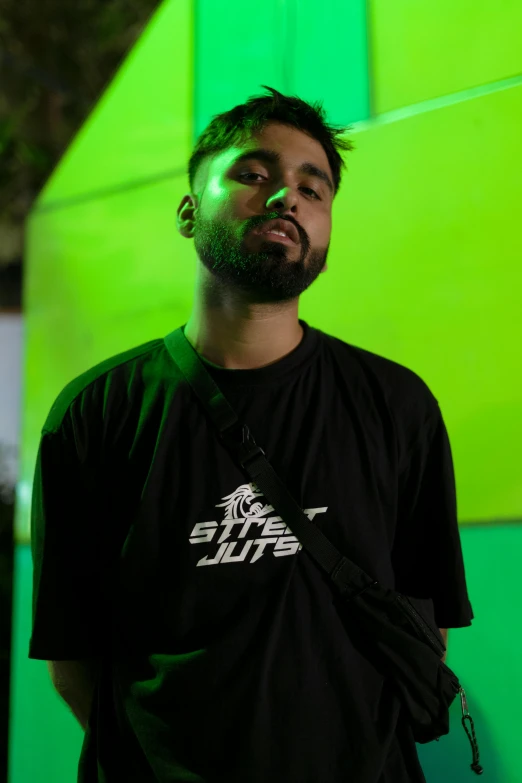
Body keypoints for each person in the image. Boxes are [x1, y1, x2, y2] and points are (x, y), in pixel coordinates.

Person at [29, 85, 473, 782]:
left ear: (326, 228)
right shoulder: (97, 414)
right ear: (186, 211)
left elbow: (424, 625)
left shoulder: (397, 404)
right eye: (254, 174)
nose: (285, 198)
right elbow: (73, 657)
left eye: (312, 188)